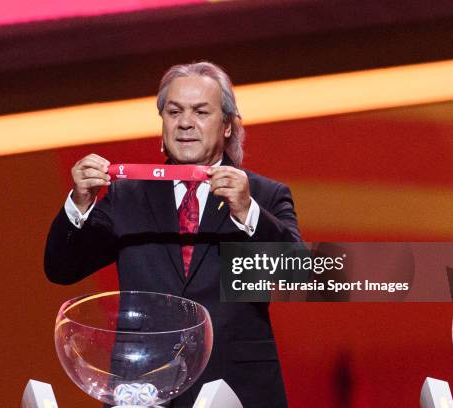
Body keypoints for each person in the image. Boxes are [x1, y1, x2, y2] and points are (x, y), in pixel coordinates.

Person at [45, 62, 301, 407]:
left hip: (236, 388)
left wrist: (246, 211)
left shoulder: (264, 196)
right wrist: (79, 202)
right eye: (174, 111)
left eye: (201, 112)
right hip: (143, 392)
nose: (184, 123)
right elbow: (62, 268)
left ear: (227, 125)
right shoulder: (128, 196)